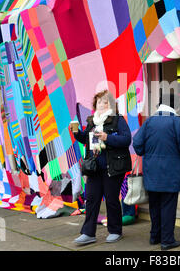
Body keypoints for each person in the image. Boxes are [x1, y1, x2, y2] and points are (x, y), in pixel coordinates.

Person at [133, 93, 180, 250]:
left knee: (154, 206)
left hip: (151, 172)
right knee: (168, 206)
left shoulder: (149, 122)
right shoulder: (177, 121)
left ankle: (155, 236)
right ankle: (167, 240)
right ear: (175, 106)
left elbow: (137, 145)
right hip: (171, 173)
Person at [72, 90, 132, 245]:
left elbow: (126, 139)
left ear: (111, 104)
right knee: (91, 200)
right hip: (94, 168)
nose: (101, 105)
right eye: (99, 102)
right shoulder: (92, 121)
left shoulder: (118, 120)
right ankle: (88, 233)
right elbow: (86, 139)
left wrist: (108, 137)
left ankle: (115, 231)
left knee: (112, 199)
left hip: (113, 167)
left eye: (105, 102)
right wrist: (76, 132)